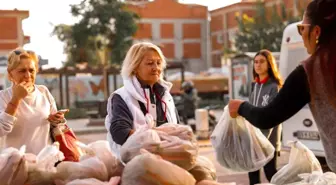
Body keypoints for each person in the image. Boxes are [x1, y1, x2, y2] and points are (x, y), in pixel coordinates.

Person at [228, 0, 336, 172]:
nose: (302, 34)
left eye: (302, 28)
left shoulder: (311, 72)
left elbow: (267, 117)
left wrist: (240, 106)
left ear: (316, 31)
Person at [105, 42, 180, 159]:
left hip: (169, 161)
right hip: (134, 164)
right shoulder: (122, 97)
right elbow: (120, 133)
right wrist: (153, 140)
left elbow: (177, 128)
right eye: (150, 63)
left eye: (159, 63)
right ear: (134, 67)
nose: (156, 68)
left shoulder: (166, 96)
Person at [0, 48, 66, 154]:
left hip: (44, 161)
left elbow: (55, 127)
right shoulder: (3, 96)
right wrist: (16, 98)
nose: (28, 75)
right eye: (22, 71)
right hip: (15, 164)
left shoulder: (43, 91)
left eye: (31, 70)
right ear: (10, 73)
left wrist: (56, 119)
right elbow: (1, 129)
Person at [247, 50, 283, 185]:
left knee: (271, 174)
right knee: (253, 176)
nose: (258, 65)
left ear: (269, 64)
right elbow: (250, 112)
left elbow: (274, 116)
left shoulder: (275, 87)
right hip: (253, 140)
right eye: (256, 62)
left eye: (262, 61)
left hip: (268, 141)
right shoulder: (254, 86)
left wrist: (262, 139)